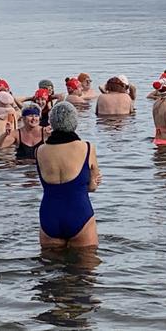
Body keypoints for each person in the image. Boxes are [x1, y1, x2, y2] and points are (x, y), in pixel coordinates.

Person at [36, 102, 102, 248]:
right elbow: (92, 187)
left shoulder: (40, 151)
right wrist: (93, 181)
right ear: (74, 122)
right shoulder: (87, 147)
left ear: (52, 122)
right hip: (79, 213)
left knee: (49, 266)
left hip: (49, 215)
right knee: (86, 268)